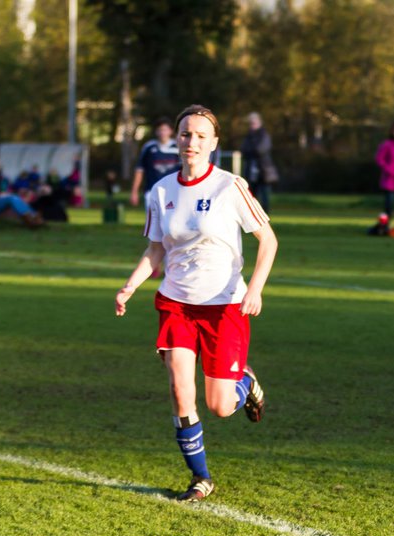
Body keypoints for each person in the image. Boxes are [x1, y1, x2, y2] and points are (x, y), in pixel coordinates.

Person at [113, 105, 276, 501]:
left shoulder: (229, 186)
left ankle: (246, 383)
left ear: (214, 143)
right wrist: (130, 286)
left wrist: (254, 289)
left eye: (201, 136)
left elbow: (268, 240)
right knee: (179, 388)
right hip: (176, 304)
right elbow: (155, 249)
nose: (192, 142)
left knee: (219, 405)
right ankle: (200, 478)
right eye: (186, 134)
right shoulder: (162, 190)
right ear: (177, 139)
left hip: (224, 306)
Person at [130, 118, 180, 207]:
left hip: (173, 190)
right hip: (152, 190)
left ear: (171, 131)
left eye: (165, 130)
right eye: (160, 130)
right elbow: (140, 170)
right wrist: (134, 191)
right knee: (152, 219)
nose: (162, 133)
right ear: (156, 132)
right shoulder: (149, 147)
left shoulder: (177, 147)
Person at [240, 112, 278, 213]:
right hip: (251, 170)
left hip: (263, 170)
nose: (252, 125)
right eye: (250, 123)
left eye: (253, 123)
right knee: (252, 193)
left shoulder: (264, 135)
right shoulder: (248, 136)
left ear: (259, 122)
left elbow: (260, 149)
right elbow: (243, 149)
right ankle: (253, 212)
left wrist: (251, 151)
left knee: (265, 194)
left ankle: (265, 213)